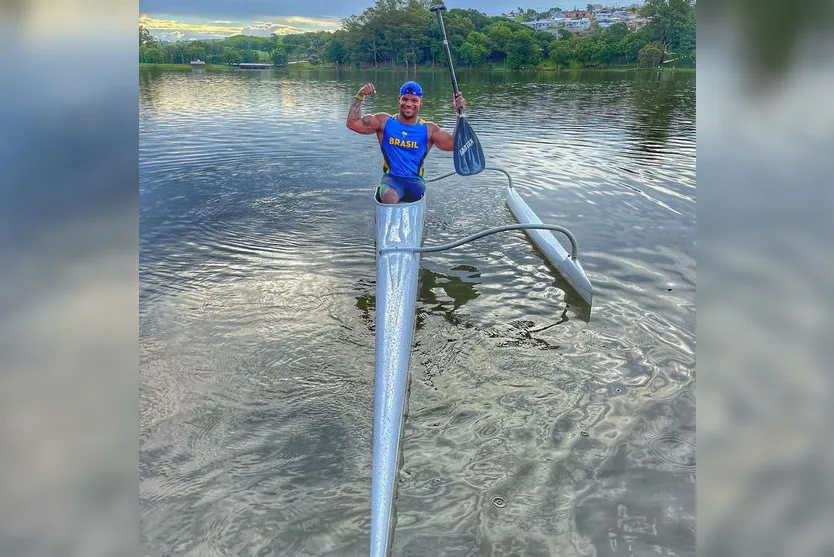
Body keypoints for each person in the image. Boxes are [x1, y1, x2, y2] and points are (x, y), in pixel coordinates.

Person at [346, 80, 466, 204]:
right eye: (405, 99)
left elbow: (454, 145)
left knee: (414, 194)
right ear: (399, 99)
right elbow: (353, 123)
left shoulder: (429, 129)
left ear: (421, 102)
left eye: (414, 100)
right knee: (389, 196)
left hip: (415, 182)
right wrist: (360, 96)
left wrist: (460, 114)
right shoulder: (384, 122)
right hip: (392, 180)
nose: (409, 104)